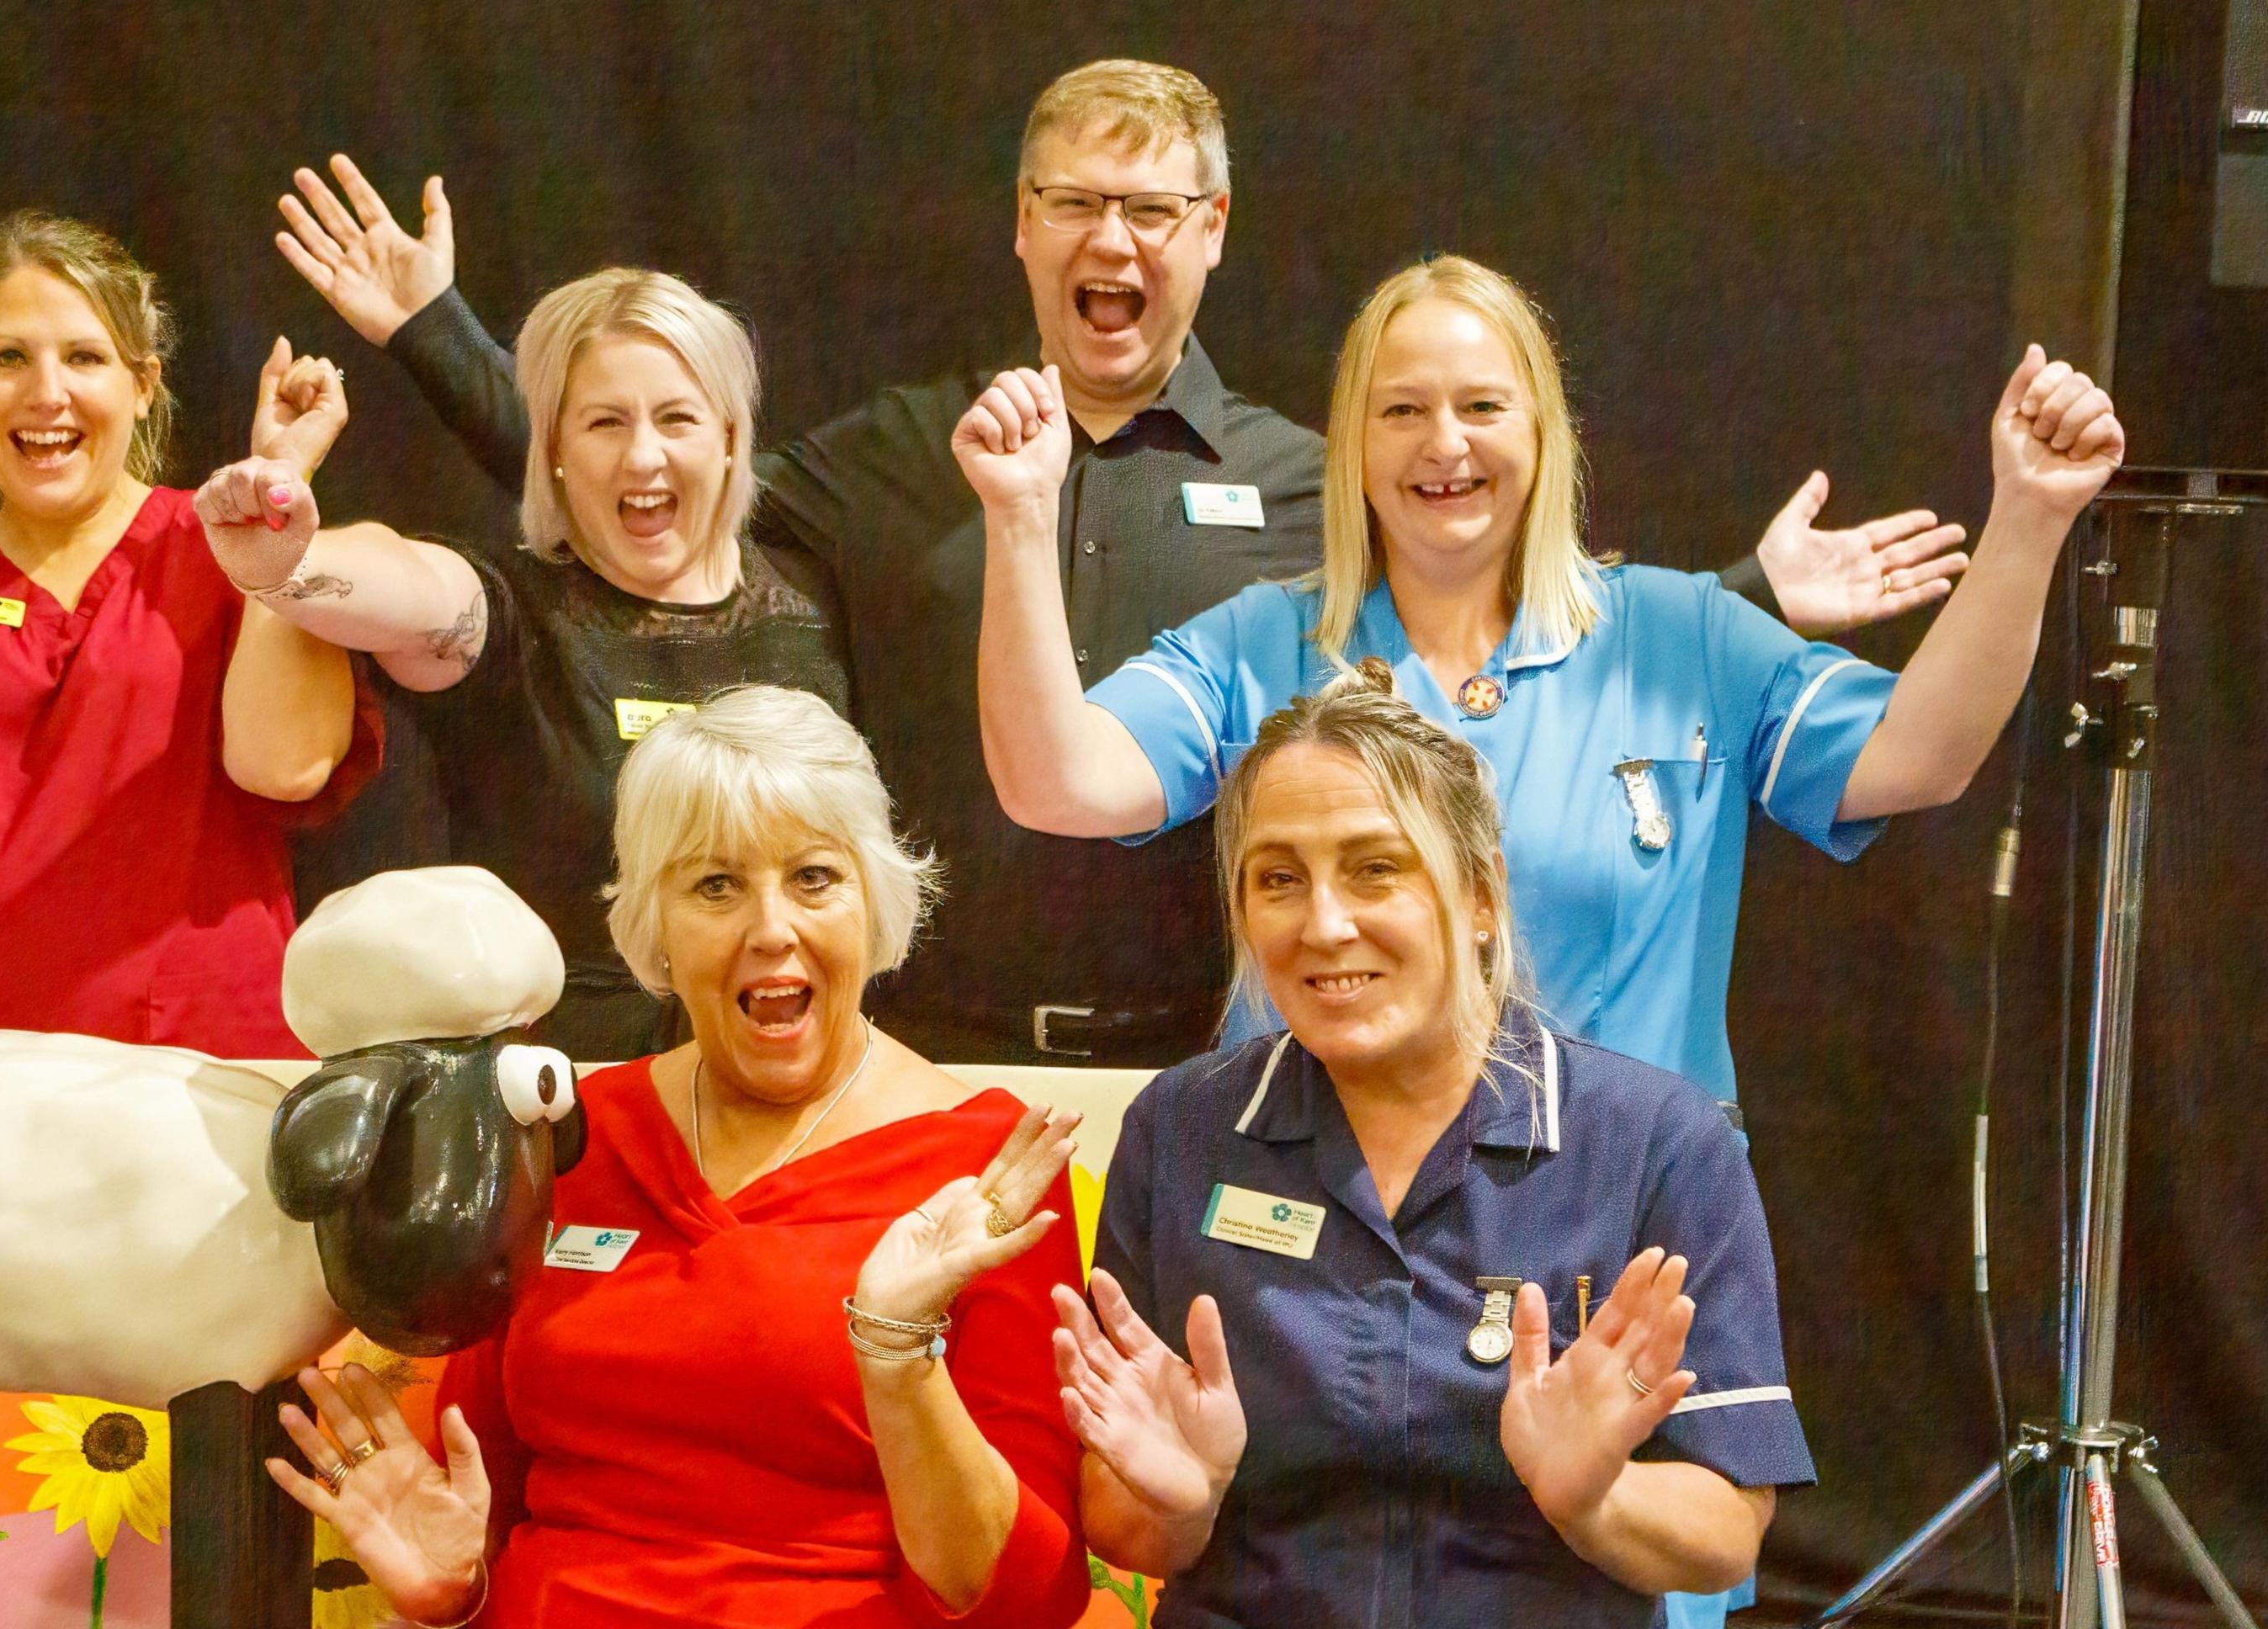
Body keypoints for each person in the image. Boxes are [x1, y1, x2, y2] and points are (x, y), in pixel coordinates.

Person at [268, 60, 1963, 1066]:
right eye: (1080, 203)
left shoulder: (1322, 483)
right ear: (1024, 226)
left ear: (1212, 235)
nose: (1116, 241)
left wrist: (1738, 605)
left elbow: (1508, 626)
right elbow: (646, 490)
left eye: (1156, 211)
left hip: (1204, 1069)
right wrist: (439, 334)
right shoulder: (891, 453)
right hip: (915, 1057)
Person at [963, 251, 2123, 1629]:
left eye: (1480, 405)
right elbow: (1056, 781)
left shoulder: (1679, 636)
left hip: (1594, 1250)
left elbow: (1918, 754)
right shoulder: (1274, 641)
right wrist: (1022, 526)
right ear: (1353, 441)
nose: (1443, 446)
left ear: (1544, 432)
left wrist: (2031, 523)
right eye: (1400, 411)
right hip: (1320, 1243)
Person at [261, 687, 1089, 1629]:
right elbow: (483, 1485)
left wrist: (899, 1355)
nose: (770, 928)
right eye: (715, 884)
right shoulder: (563, 1137)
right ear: (654, 920)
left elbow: (1011, 1603)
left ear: (875, 899)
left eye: (813, 877)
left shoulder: (984, 1166)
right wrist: (453, 1587)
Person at [1063, 666, 1806, 1629]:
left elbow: (1725, 1529)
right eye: (1278, 878)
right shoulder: (1185, 1130)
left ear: (1478, 892)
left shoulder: (1655, 1141)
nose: (1324, 923)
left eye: (1375, 867)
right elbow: (1124, 1519)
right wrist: (1180, 1499)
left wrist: (1590, 1496)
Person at [189, 268, 848, 1059]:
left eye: (677, 418)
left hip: (796, 1085)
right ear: (555, 447)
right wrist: (286, 558)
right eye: (605, 423)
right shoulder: (512, 614)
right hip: (570, 1110)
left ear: (732, 436)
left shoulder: (820, 607)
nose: (644, 456)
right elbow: (407, 578)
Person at [0, 210, 376, 1055]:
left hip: (201, 1085)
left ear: (143, 385)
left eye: (85, 357)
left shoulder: (228, 550)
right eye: (8, 359)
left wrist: (279, 488)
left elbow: (286, 764)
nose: (46, 391)